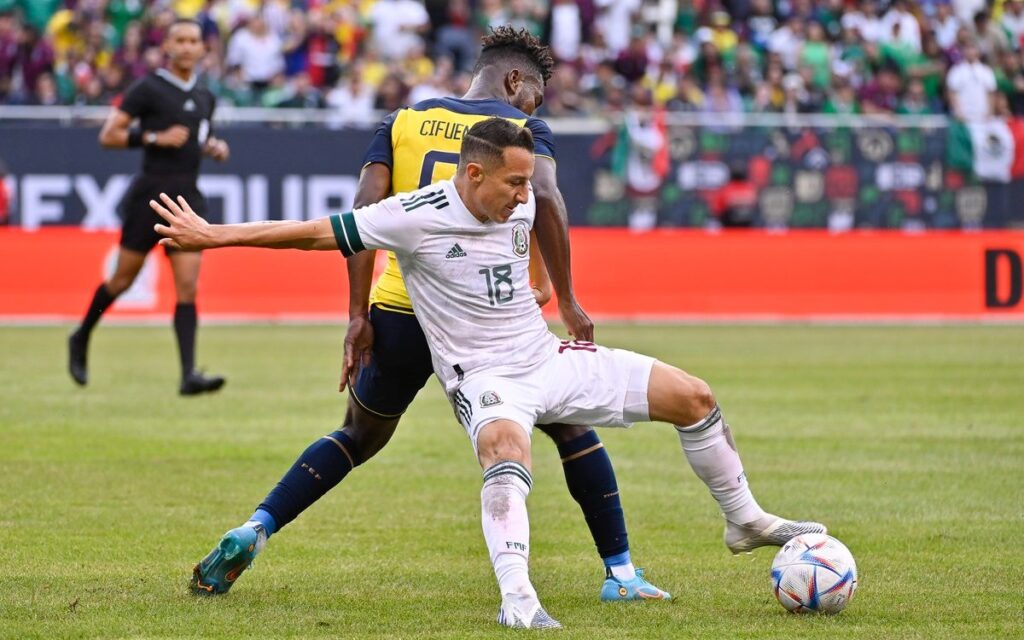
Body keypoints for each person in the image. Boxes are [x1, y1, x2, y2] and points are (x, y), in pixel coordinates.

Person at [151, 117, 827, 629]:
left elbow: (529, 239)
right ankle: (518, 597)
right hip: (485, 378)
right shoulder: (412, 217)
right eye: (514, 182)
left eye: (528, 181)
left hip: (546, 358)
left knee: (694, 396)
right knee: (506, 452)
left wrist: (544, 285)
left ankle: (745, 521)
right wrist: (214, 235)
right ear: (473, 174)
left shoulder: (519, 202)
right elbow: (312, 232)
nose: (526, 194)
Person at [185, 26, 669, 604]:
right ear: (515, 80)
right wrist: (564, 295)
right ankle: (621, 574)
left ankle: (255, 528)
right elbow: (546, 200)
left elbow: (363, 212)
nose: (535, 107)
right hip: (482, 318)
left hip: (399, 309)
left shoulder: (403, 120)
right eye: (535, 95)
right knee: (571, 427)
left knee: (357, 435)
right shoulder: (519, 132)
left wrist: (358, 314)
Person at [67, 18, 228, 396]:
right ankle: (81, 334)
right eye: (180, 40)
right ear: (167, 47)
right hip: (151, 197)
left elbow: (199, 138)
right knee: (122, 280)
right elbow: (109, 135)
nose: (187, 47)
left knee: (187, 286)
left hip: (187, 198)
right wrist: (154, 136)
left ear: (202, 48)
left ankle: (188, 375)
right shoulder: (148, 88)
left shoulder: (206, 96)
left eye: (193, 41)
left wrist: (214, 148)